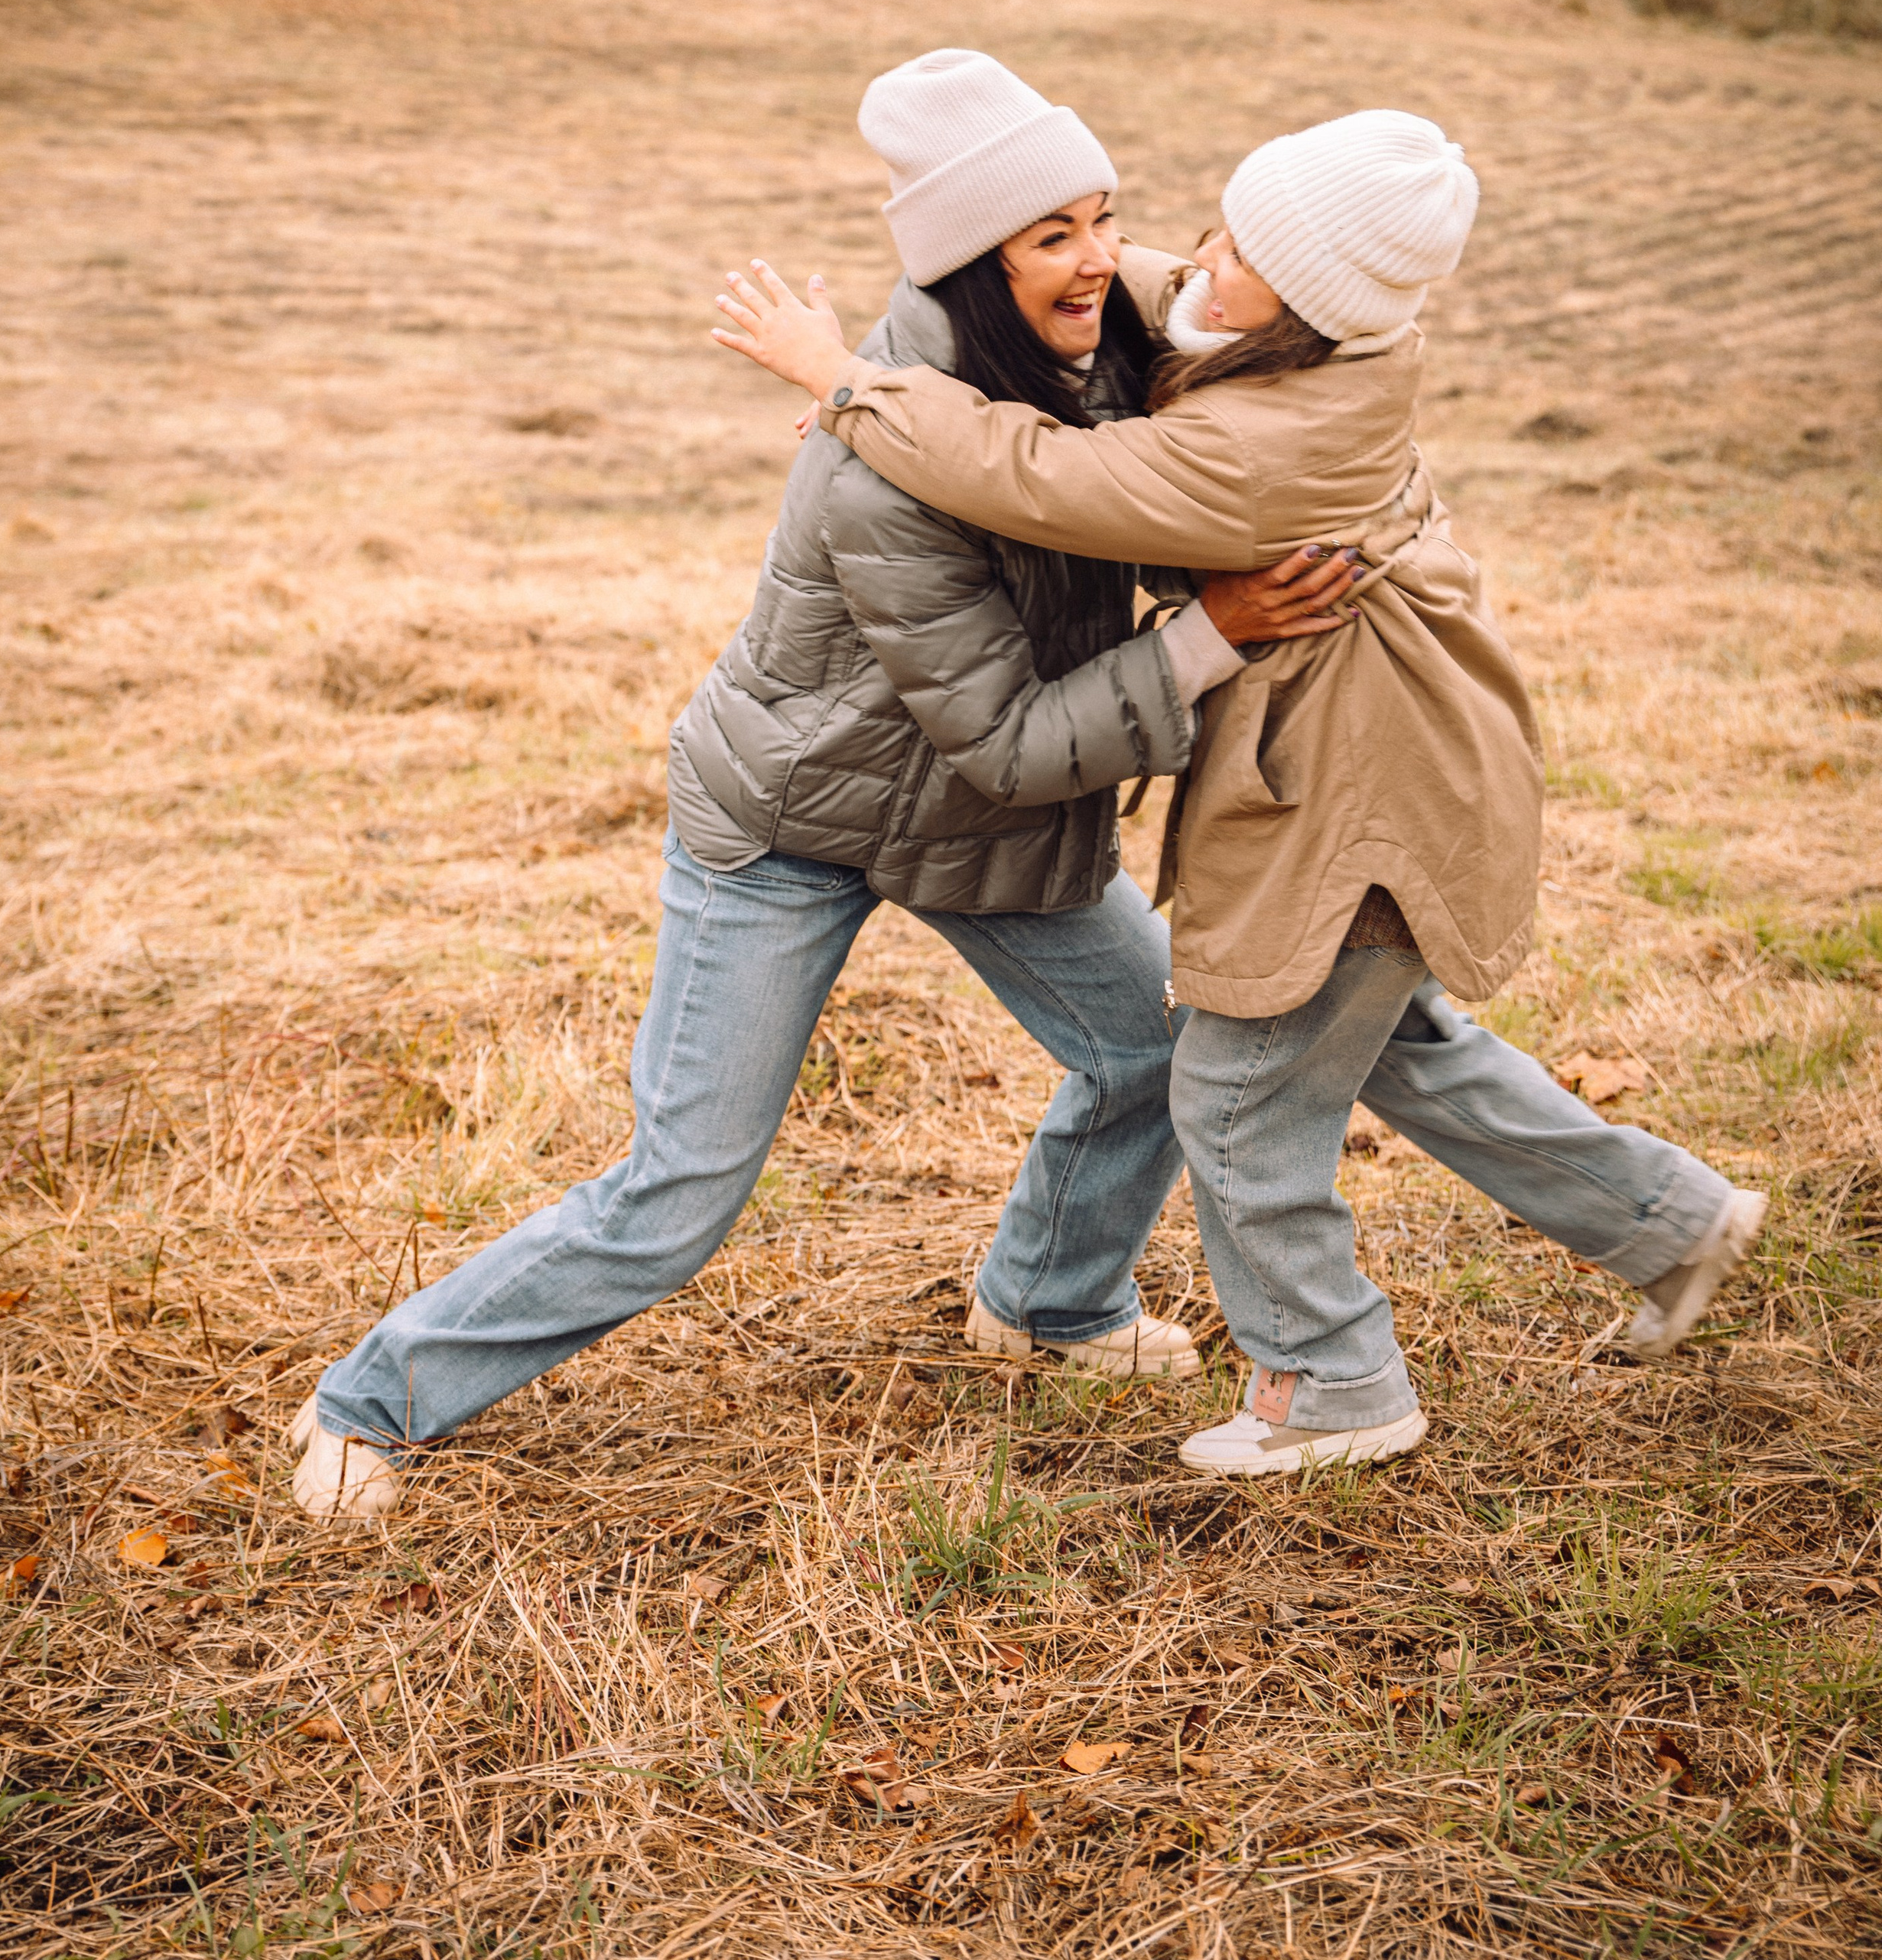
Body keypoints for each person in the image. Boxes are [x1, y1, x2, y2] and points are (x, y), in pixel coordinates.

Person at [291, 50, 1354, 1520]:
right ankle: (372, 1401)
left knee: (1156, 1051)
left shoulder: (1100, 331)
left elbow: (1208, 290)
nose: (1099, 258)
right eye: (1053, 235)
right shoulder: (882, 463)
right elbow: (1011, 738)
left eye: (1104, 216)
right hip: (789, 826)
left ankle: (1046, 1304)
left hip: (964, 826)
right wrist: (1210, 641)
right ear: (973, 268)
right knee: (682, 1194)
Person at [714, 106, 1767, 1479]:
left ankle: (1332, 1381)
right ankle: (1667, 1221)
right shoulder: (1310, 323)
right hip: (1397, 761)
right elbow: (1141, 277)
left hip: (1362, 786)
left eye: (1241, 244)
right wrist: (1008, 267)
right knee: (1381, 1037)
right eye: (1218, 220)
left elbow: (1035, 474)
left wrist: (850, 380)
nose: (1192, 254)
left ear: (1305, 295)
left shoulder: (1267, 446)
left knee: (1232, 1089)